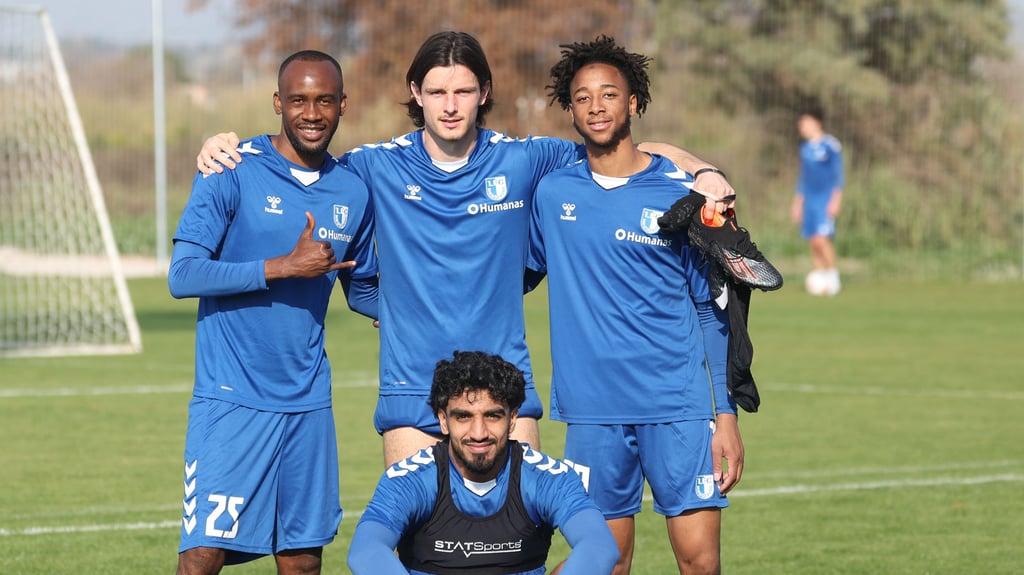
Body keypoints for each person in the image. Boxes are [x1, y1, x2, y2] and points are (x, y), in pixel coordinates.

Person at [196, 31, 736, 467]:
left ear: (484, 92)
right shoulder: (375, 167)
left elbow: (619, 146)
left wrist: (703, 170)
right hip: (412, 391)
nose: (450, 106)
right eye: (437, 92)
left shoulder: (524, 160)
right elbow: (299, 166)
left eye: (462, 92)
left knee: (518, 549)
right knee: (418, 550)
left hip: (506, 388)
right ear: (416, 93)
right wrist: (225, 145)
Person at [527, 36, 744, 575]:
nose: (596, 106)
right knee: (606, 561)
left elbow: (710, 310)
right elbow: (513, 277)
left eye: (608, 94)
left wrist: (725, 416)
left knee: (700, 564)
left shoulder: (680, 195)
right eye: (582, 97)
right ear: (570, 109)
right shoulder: (552, 193)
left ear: (633, 102)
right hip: (591, 411)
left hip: (676, 404)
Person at [167, 50, 377, 575]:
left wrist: (434, 308)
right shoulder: (230, 168)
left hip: (309, 403)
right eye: (299, 100)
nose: (312, 113)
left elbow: (364, 292)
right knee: (202, 556)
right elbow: (183, 274)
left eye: (324, 100)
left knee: (303, 559)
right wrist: (282, 267)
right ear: (278, 103)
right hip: (232, 398)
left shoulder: (353, 190)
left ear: (343, 105)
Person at [347, 350, 618, 575]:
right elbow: (366, 551)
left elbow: (598, 546)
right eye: (463, 417)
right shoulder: (412, 479)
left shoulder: (546, 477)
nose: (478, 433)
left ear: (512, 419)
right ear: (443, 420)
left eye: (492, 416)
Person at [791, 105, 844, 296]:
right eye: (801, 124)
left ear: (817, 123)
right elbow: (803, 180)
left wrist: (836, 200)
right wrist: (797, 204)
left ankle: (833, 277)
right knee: (813, 241)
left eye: (805, 123)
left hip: (824, 199)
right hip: (810, 202)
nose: (802, 127)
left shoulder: (830, 145)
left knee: (822, 240)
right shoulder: (805, 149)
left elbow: (838, 175)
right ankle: (821, 278)